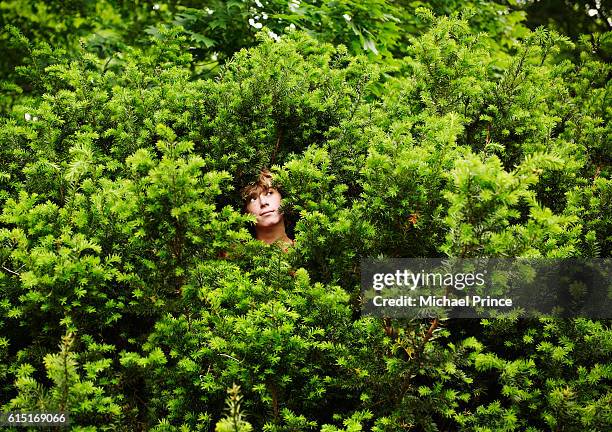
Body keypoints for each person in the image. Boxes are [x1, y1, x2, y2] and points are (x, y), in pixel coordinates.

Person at [242, 169, 294, 248]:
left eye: (269, 193)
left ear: (283, 198)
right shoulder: (234, 257)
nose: (263, 202)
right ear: (245, 211)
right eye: (253, 199)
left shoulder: (310, 251)